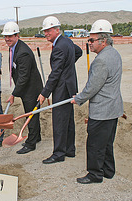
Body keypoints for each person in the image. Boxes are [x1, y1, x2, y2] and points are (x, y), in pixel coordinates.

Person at [71, 19, 123, 184]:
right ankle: (108, 170)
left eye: (92, 40)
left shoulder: (100, 60)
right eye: (89, 39)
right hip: (113, 109)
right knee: (107, 143)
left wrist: (78, 99)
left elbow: (92, 87)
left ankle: (95, 174)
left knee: (94, 144)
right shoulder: (114, 53)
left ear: (104, 41)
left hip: (102, 111)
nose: (89, 43)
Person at [37, 16, 82, 164]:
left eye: (48, 30)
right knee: (68, 119)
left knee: (59, 120)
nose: (46, 34)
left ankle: (58, 154)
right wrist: (67, 67)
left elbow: (55, 74)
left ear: (57, 30)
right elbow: (79, 52)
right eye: (45, 31)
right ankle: (70, 149)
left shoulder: (59, 47)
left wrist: (44, 93)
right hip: (70, 86)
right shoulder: (67, 41)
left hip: (62, 88)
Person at [1, 21, 43, 154]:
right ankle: (36, 137)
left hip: (31, 89)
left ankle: (31, 144)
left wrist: (13, 94)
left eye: (10, 36)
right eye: (6, 36)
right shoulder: (14, 47)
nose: (7, 39)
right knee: (31, 114)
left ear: (17, 35)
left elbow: (24, 77)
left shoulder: (23, 52)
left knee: (31, 115)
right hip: (26, 89)